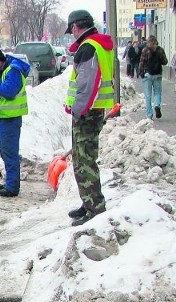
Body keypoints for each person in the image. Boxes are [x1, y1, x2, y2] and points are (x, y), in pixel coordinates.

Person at [63, 10, 115, 226]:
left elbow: (87, 84)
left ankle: (94, 209)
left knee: (84, 161)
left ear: (76, 27)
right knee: (82, 158)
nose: (72, 34)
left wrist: (78, 109)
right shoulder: (97, 45)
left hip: (87, 113)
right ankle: (88, 202)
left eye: (72, 31)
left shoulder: (89, 47)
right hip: (94, 110)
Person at [0, 49, 31, 197]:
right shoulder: (4, 69)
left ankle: (12, 187)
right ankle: (10, 182)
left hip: (10, 119)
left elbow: (9, 92)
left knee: (10, 153)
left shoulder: (13, 71)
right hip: (4, 118)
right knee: (6, 152)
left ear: (0, 60)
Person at [138, 35, 168, 119]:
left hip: (147, 74)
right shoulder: (160, 50)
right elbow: (165, 62)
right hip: (158, 74)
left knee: (147, 96)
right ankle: (157, 105)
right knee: (157, 92)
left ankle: (149, 115)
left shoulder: (145, 50)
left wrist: (140, 72)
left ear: (148, 42)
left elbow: (142, 62)